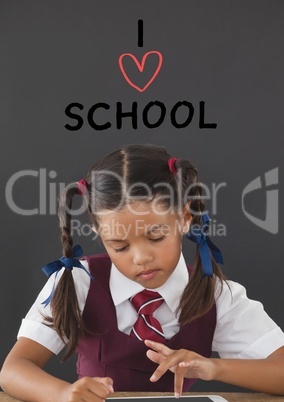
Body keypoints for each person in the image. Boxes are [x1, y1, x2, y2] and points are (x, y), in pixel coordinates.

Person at [1, 144, 284, 402]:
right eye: (120, 245)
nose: (141, 258)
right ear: (100, 235)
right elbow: (13, 370)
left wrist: (215, 367)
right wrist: (62, 395)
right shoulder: (77, 280)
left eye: (156, 237)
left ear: (185, 219)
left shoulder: (217, 295)